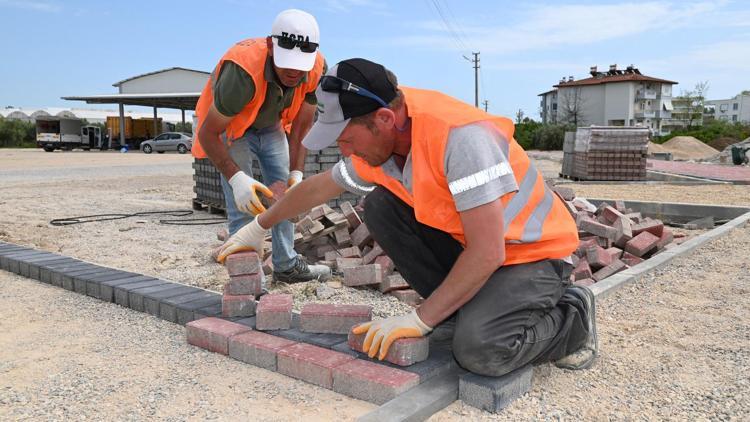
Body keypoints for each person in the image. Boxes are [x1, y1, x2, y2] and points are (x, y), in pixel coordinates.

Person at [216, 58, 598, 376]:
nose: (342, 148)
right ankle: (460, 310)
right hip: (479, 248)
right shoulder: (384, 142)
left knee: (480, 352)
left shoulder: (460, 138)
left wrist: (419, 320)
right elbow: (320, 186)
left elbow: (488, 252)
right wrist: (258, 227)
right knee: (381, 205)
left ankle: (572, 319)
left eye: (346, 138)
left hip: (532, 255)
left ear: (383, 118)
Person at [194, 9, 330, 283]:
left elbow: (303, 125)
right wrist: (237, 178)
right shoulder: (241, 71)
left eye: (300, 65)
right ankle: (246, 278)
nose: (294, 72)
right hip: (232, 128)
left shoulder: (316, 68)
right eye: (286, 64)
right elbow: (209, 133)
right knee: (243, 202)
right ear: (271, 45)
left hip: (270, 125)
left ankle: (286, 266)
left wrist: (296, 173)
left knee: (285, 195)